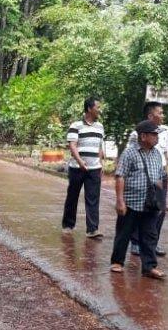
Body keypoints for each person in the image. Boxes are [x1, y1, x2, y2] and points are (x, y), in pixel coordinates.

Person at [110, 120, 166, 279]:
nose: (157, 137)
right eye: (154, 134)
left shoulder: (156, 154)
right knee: (124, 233)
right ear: (143, 136)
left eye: (157, 134)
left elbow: (159, 177)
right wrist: (120, 200)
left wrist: (160, 199)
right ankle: (117, 262)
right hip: (131, 202)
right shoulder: (129, 153)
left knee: (150, 235)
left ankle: (149, 267)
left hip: (150, 203)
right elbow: (120, 176)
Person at [127, 102, 168, 257]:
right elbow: (132, 153)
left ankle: (153, 243)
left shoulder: (165, 132)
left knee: (159, 210)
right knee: (141, 209)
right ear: (151, 115)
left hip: (160, 176)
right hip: (143, 177)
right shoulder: (137, 133)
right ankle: (136, 243)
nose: (163, 115)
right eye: (160, 112)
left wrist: (166, 170)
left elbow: (165, 153)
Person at [62, 97, 105, 238]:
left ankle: (92, 229)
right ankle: (68, 225)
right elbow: (72, 145)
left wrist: (101, 163)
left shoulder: (100, 127)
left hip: (94, 169)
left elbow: (100, 146)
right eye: (97, 107)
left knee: (93, 198)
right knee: (72, 196)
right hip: (77, 168)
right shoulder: (76, 125)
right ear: (89, 109)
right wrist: (80, 161)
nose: (99, 110)